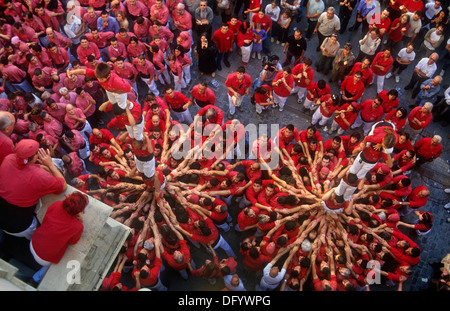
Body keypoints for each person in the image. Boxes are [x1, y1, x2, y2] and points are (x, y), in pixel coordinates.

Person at [0, 141, 67, 240]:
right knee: (36, 238)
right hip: (20, 225)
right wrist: (50, 164)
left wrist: (41, 167)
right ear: (35, 157)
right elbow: (63, 186)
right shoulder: (38, 176)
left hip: (2, 212)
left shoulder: (8, 159)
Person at [29, 191, 88, 284]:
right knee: (55, 264)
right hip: (45, 259)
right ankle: (35, 279)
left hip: (33, 243)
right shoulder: (78, 227)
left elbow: (45, 219)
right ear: (80, 210)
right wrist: (79, 222)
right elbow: (72, 242)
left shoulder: (56, 204)